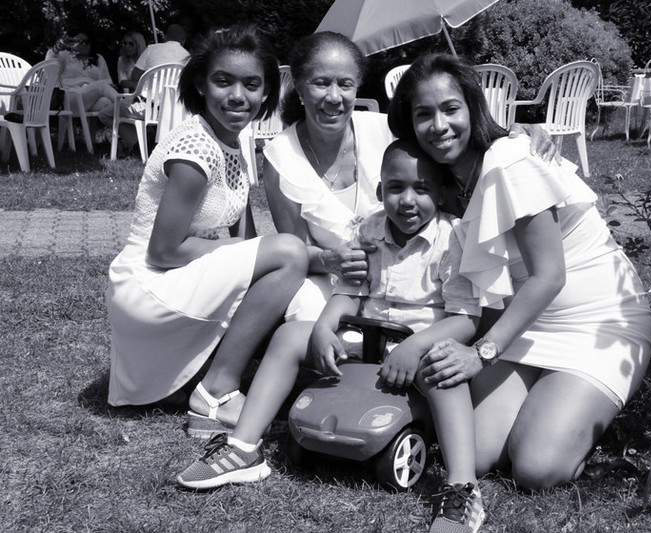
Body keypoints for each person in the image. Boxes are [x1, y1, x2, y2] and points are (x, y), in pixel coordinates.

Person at [177, 140, 486, 533]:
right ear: (380, 190)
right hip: (365, 340)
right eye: (396, 188)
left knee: (446, 371)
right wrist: (324, 327)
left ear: (440, 194)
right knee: (290, 336)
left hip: (420, 346)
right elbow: (347, 292)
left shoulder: (451, 238)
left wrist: (416, 346)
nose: (408, 201)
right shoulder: (370, 231)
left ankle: (462, 488)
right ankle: (243, 446)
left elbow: (465, 319)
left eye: (421, 189)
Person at [387, 53, 651, 490]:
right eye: (423, 114)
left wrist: (479, 354)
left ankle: (570, 418)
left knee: (535, 467)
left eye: (451, 109)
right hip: (524, 328)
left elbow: (549, 276)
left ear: (473, 107)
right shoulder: (446, 183)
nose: (439, 125)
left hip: (598, 324)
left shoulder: (510, 160)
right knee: (475, 453)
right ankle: (550, 406)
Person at [262, 31, 557, 323]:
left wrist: (510, 133)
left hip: (417, 275)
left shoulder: (387, 131)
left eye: (345, 84)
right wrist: (329, 260)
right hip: (337, 280)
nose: (334, 96)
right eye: (321, 83)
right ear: (299, 87)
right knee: (308, 313)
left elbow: (446, 137)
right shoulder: (281, 158)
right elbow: (298, 253)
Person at [105, 25, 308, 441]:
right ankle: (216, 391)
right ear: (201, 84)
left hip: (176, 275)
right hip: (149, 284)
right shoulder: (196, 148)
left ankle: (225, 373)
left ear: (267, 92)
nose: (238, 96)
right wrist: (237, 247)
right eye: (223, 81)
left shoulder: (232, 143)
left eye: (252, 84)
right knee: (290, 254)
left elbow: (248, 240)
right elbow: (162, 251)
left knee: (286, 270)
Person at [46, 30, 117, 135]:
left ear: (91, 44)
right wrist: (56, 48)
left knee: (105, 102)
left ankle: (94, 141)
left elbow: (107, 80)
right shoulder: (65, 56)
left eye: (86, 42)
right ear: (72, 43)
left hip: (89, 99)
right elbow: (49, 65)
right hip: (70, 97)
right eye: (79, 41)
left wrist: (91, 87)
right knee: (101, 86)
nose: (83, 44)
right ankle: (128, 106)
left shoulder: (98, 59)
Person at [122, 23, 191, 91]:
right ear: (183, 41)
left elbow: (134, 76)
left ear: (165, 37)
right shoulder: (187, 56)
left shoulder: (151, 49)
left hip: (149, 96)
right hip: (175, 97)